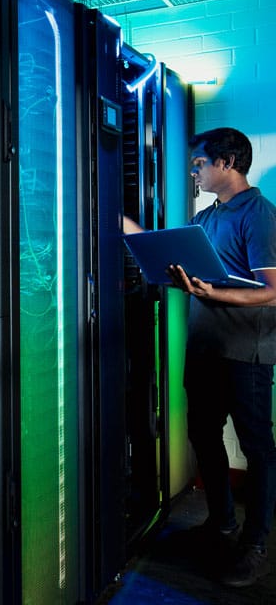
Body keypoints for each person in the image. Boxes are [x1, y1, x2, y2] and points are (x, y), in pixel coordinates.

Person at [124, 127, 276, 587]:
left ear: (226, 163)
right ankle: (222, 521)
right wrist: (131, 231)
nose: (195, 171)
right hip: (206, 350)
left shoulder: (260, 215)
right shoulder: (208, 217)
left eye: (199, 163)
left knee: (257, 449)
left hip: (245, 355)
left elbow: (272, 292)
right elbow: (188, 273)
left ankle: (255, 544)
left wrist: (214, 291)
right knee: (204, 436)